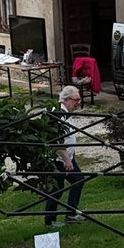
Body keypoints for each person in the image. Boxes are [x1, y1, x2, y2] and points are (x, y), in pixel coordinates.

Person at [45, 86, 86, 226]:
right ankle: (50, 221)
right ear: (67, 100)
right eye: (76, 100)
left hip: (67, 158)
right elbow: (55, 139)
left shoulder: (66, 113)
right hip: (59, 159)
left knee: (78, 180)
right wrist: (67, 159)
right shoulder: (58, 114)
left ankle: (71, 213)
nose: (78, 103)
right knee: (56, 189)